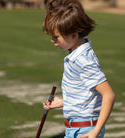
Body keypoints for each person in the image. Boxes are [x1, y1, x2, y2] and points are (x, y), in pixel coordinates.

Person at [43, 0, 115, 137]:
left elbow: (109, 95)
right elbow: (87, 94)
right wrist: (65, 101)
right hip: (78, 128)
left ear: (74, 35)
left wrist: (95, 131)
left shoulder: (83, 60)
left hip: (85, 130)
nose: (53, 40)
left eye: (56, 37)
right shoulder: (77, 54)